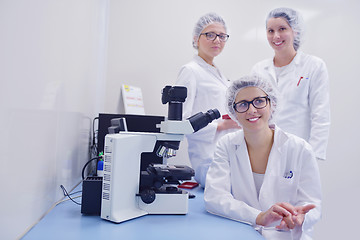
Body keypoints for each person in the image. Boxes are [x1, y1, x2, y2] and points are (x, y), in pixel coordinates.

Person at [204, 75, 322, 240]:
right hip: (243, 233)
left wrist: (300, 217)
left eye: (259, 101)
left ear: (271, 104)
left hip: (287, 235)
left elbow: (312, 205)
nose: (252, 110)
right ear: (234, 112)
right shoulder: (227, 145)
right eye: (243, 104)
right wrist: (259, 217)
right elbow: (215, 196)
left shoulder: (300, 149)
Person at [251, 7, 330, 161]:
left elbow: (320, 114)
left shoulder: (313, 66)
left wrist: (313, 155)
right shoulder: (258, 70)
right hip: (263, 150)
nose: (276, 36)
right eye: (270, 31)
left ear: (296, 31)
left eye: (282, 29)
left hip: (299, 150)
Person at [176, 13, 239, 186]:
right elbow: (181, 121)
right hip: (207, 158)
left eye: (222, 36)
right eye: (210, 34)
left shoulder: (216, 72)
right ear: (196, 38)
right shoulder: (190, 71)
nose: (217, 40)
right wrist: (220, 125)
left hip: (225, 153)